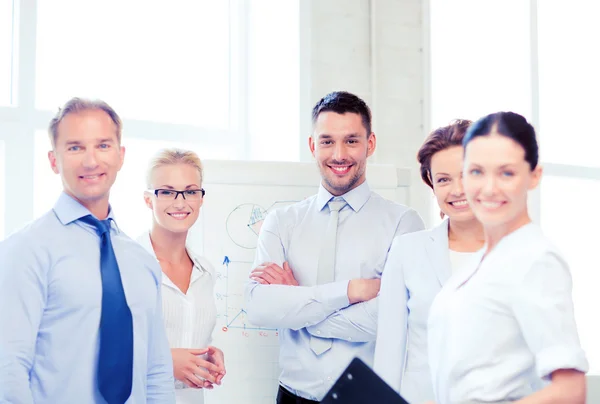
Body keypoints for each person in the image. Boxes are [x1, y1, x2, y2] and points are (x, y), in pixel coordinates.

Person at [244, 91, 425, 403]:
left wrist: (298, 306)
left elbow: (387, 320)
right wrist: (351, 291)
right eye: (327, 141)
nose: (339, 154)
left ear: (370, 144)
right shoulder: (281, 221)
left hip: (365, 397)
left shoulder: (403, 224)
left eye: (351, 140)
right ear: (313, 146)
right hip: (292, 397)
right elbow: (260, 308)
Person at [0, 97, 175, 403]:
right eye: (75, 147)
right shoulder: (24, 250)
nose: (91, 161)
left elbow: (156, 372)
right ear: (54, 160)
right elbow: (8, 368)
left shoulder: (142, 261)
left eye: (103, 145)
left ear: (121, 156)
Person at [427, 112, 588, 404]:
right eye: (476, 171)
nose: (489, 188)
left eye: (506, 173)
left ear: (534, 176)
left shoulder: (536, 259)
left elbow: (570, 392)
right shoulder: (483, 261)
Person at [374, 119, 485, 403]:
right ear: (432, 185)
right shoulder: (407, 250)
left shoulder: (515, 254)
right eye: (444, 179)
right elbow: (389, 351)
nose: (457, 189)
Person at [137, 148, 225, 404]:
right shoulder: (125, 265)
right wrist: (165, 361)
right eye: (166, 191)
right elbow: (100, 351)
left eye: (190, 191)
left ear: (200, 198)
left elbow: (188, 337)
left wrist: (207, 356)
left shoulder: (206, 271)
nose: (180, 202)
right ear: (147, 199)